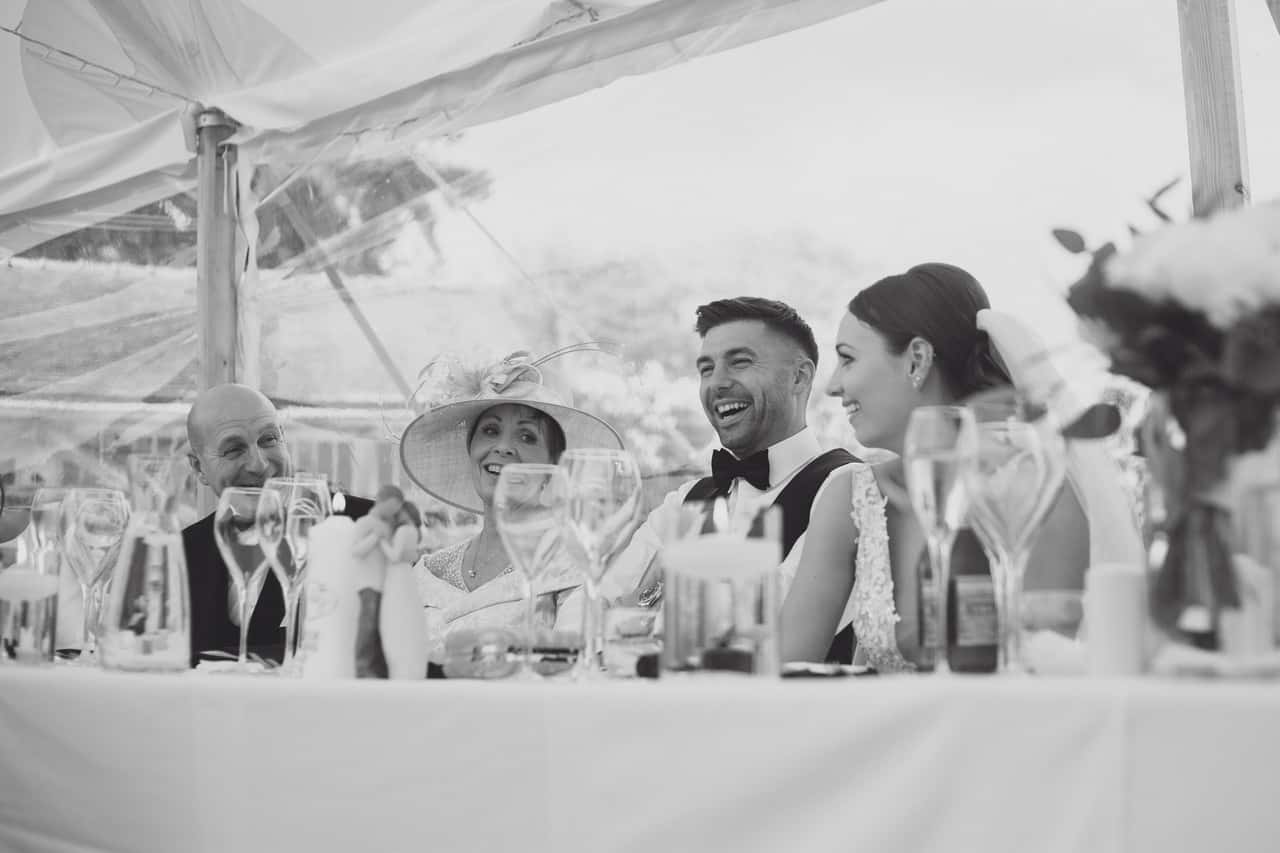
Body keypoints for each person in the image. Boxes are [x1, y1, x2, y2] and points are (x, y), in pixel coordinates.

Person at [781, 263, 1142, 670]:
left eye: (847, 359)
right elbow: (784, 669)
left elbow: (1044, 662)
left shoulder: (1041, 490)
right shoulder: (851, 494)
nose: (832, 386)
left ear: (916, 360)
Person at [595, 297, 857, 660]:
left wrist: (636, 617)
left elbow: (752, 632)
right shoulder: (686, 499)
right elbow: (589, 613)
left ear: (799, 377)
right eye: (706, 369)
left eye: (740, 362)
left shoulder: (844, 487)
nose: (716, 383)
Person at [398, 348, 624, 667]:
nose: (503, 447)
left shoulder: (574, 569)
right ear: (471, 450)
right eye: (490, 431)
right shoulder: (425, 572)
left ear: (554, 468)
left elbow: (572, 671)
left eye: (527, 437)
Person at [182, 383, 372, 667]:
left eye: (268, 439)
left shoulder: (363, 526)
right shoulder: (181, 553)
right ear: (199, 468)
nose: (258, 464)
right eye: (234, 450)